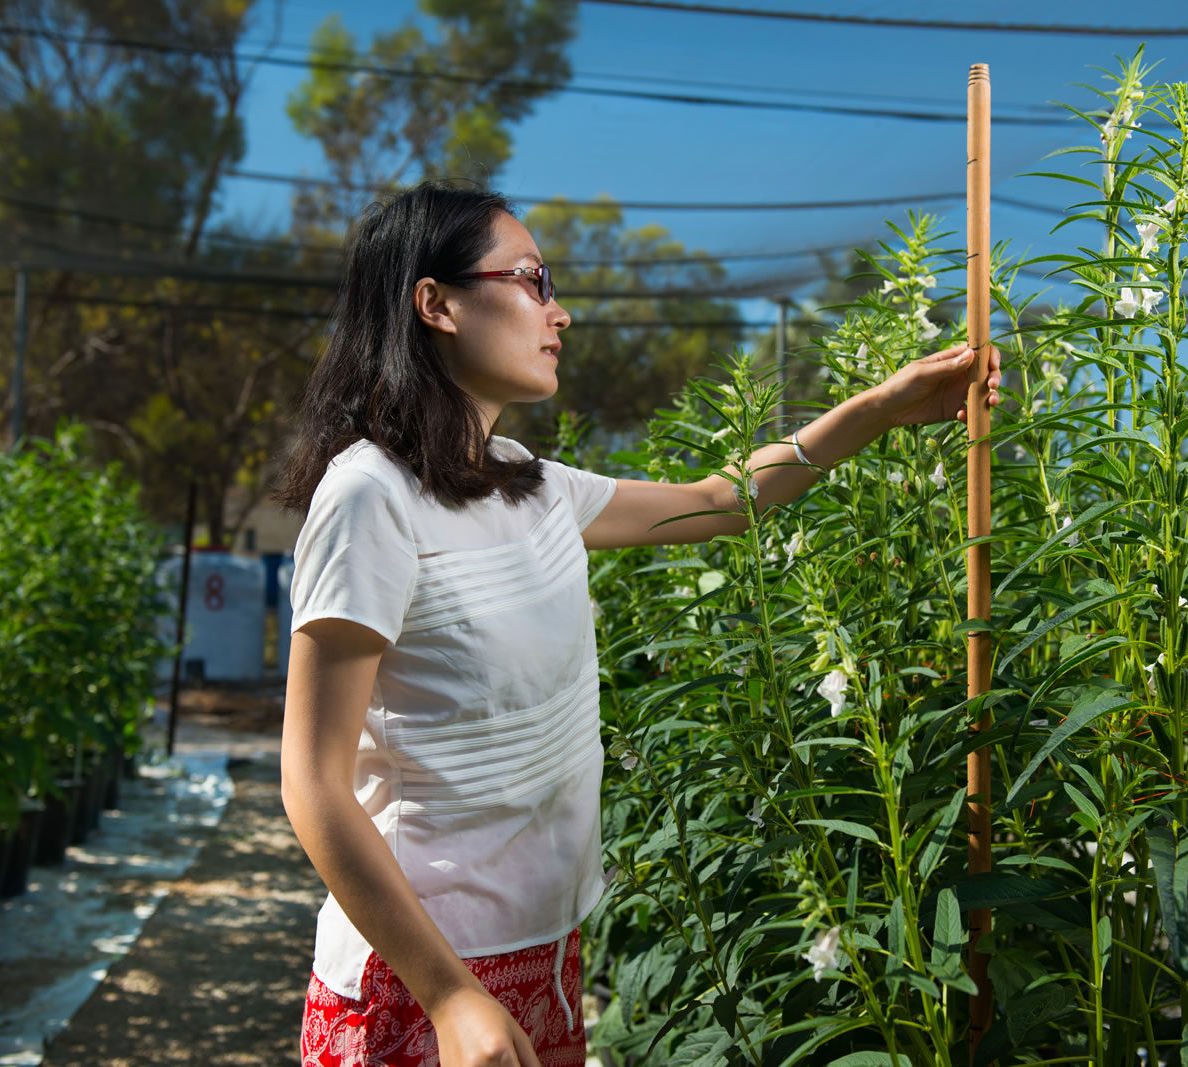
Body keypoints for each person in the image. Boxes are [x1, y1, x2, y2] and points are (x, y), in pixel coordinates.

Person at [273, 180, 1003, 1067]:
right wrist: (449, 993)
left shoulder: (529, 483)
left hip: (544, 948)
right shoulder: (370, 499)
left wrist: (884, 407)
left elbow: (722, 501)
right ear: (437, 303)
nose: (560, 312)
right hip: (418, 976)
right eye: (533, 280)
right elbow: (312, 783)